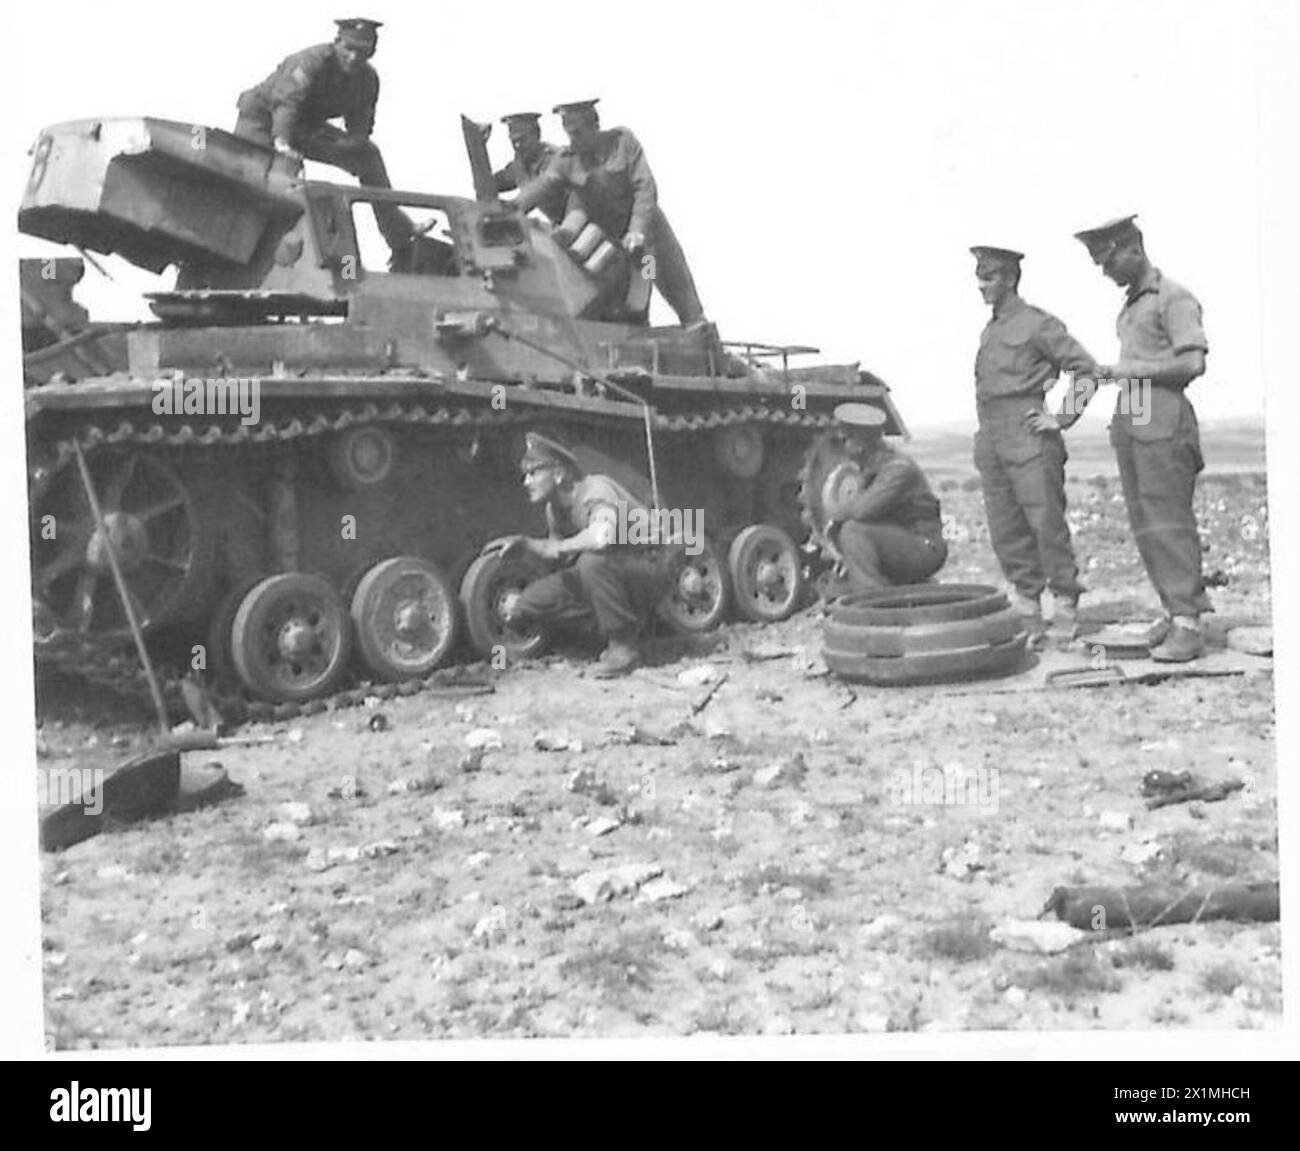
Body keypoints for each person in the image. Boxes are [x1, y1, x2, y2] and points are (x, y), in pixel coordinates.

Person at [1037, 214, 1210, 662]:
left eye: (1107, 259)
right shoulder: (1132, 305)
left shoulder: (1173, 297)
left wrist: (1127, 371)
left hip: (1163, 415)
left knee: (1168, 521)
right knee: (1145, 522)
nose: (1104, 270)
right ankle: (1174, 613)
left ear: (1133, 249)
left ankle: (1189, 624)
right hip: (1135, 417)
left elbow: (1192, 364)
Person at [971, 245, 1101, 644]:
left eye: (989, 277)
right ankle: (1027, 605)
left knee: (1045, 523)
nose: (981, 285)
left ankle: (1064, 604)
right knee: (1005, 527)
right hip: (992, 436)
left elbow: (1087, 370)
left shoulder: (1038, 324)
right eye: (979, 277)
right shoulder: (991, 330)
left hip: (1029, 435)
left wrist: (1060, 418)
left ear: (1010, 278)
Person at [513, 99, 706, 326]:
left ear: (594, 126)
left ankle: (702, 339)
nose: (572, 140)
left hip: (650, 239)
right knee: (632, 307)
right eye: (568, 133)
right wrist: (508, 211)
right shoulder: (567, 161)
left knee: (681, 295)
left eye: (577, 133)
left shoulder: (623, 143)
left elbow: (645, 188)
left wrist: (637, 231)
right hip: (613, 243)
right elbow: (539, 188)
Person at [498, 433, 676, 677]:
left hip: (652, 563)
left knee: (592, 562)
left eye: (534, 472)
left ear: (559, 474)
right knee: (529, 603)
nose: (526, 481)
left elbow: (601, 537)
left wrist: (554, 548)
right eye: (525, 474)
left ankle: (623, 649)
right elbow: (557, 554)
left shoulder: (596, 489)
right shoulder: (554, 509)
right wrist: (528, 547)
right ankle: (604, 633)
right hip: (616, 569)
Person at [233, 17, 410, 253]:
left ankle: (400, 238)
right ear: (337, 42)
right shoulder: (310, 62)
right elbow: (287, 104)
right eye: (349, 49)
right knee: (259, 178)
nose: (354, 57)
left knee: (368, 156)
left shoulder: (367, 80)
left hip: (305, 127)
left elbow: (360, 128)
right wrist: (282, 145)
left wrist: (352, 149)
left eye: (363, 51)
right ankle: (238, 248)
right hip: (263, 120)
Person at [823, 403, 948, 595]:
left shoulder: (897, 468)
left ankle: (875, 603)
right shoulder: (870, 467)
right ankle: (899, 589)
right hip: (899, 542)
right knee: (836, 592)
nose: (844, 446)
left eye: (846, 439)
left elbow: (862, 511)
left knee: (853, 532)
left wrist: (840, 511)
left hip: (923, 546)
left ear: (861, 443)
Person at [492, 113, 565, 223]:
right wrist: (478, 147)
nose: (518, 146)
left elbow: (536, 192)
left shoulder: (555, 158)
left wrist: (511, 208)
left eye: (522, 140)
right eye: (514, 141)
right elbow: (491, 184)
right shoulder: (520, 164)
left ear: (537, 135)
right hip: (558, 224)